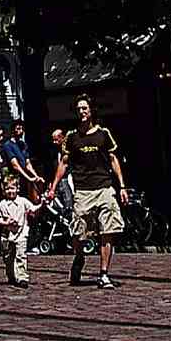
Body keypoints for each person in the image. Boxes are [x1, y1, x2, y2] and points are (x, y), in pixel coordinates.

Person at [45, 95, 126, 290]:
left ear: (91, 111)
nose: (82, 111)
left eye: (85, 108)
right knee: (78, 232)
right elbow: (64, 163)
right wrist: (53, 187)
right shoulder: (72, 137)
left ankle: (103, 274)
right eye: (79, 109)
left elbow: (113, 159)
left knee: (108, 230)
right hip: (83, 190)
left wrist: (122, 186)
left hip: (104, 187)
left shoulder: (103, 134)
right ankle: (79, 256)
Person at [0, 172, 43, 287]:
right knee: (8, 258)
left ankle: (22, 277)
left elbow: (33, 209)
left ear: (17, 189)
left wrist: (42, 203)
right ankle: (11, 275)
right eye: (7, 189)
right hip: (7, 235)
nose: (10, 191)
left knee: (21, 255)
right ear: (4, 190)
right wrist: (5, 223)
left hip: (21, 234)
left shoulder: (23, 201)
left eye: (12, 188)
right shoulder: (2, 204)